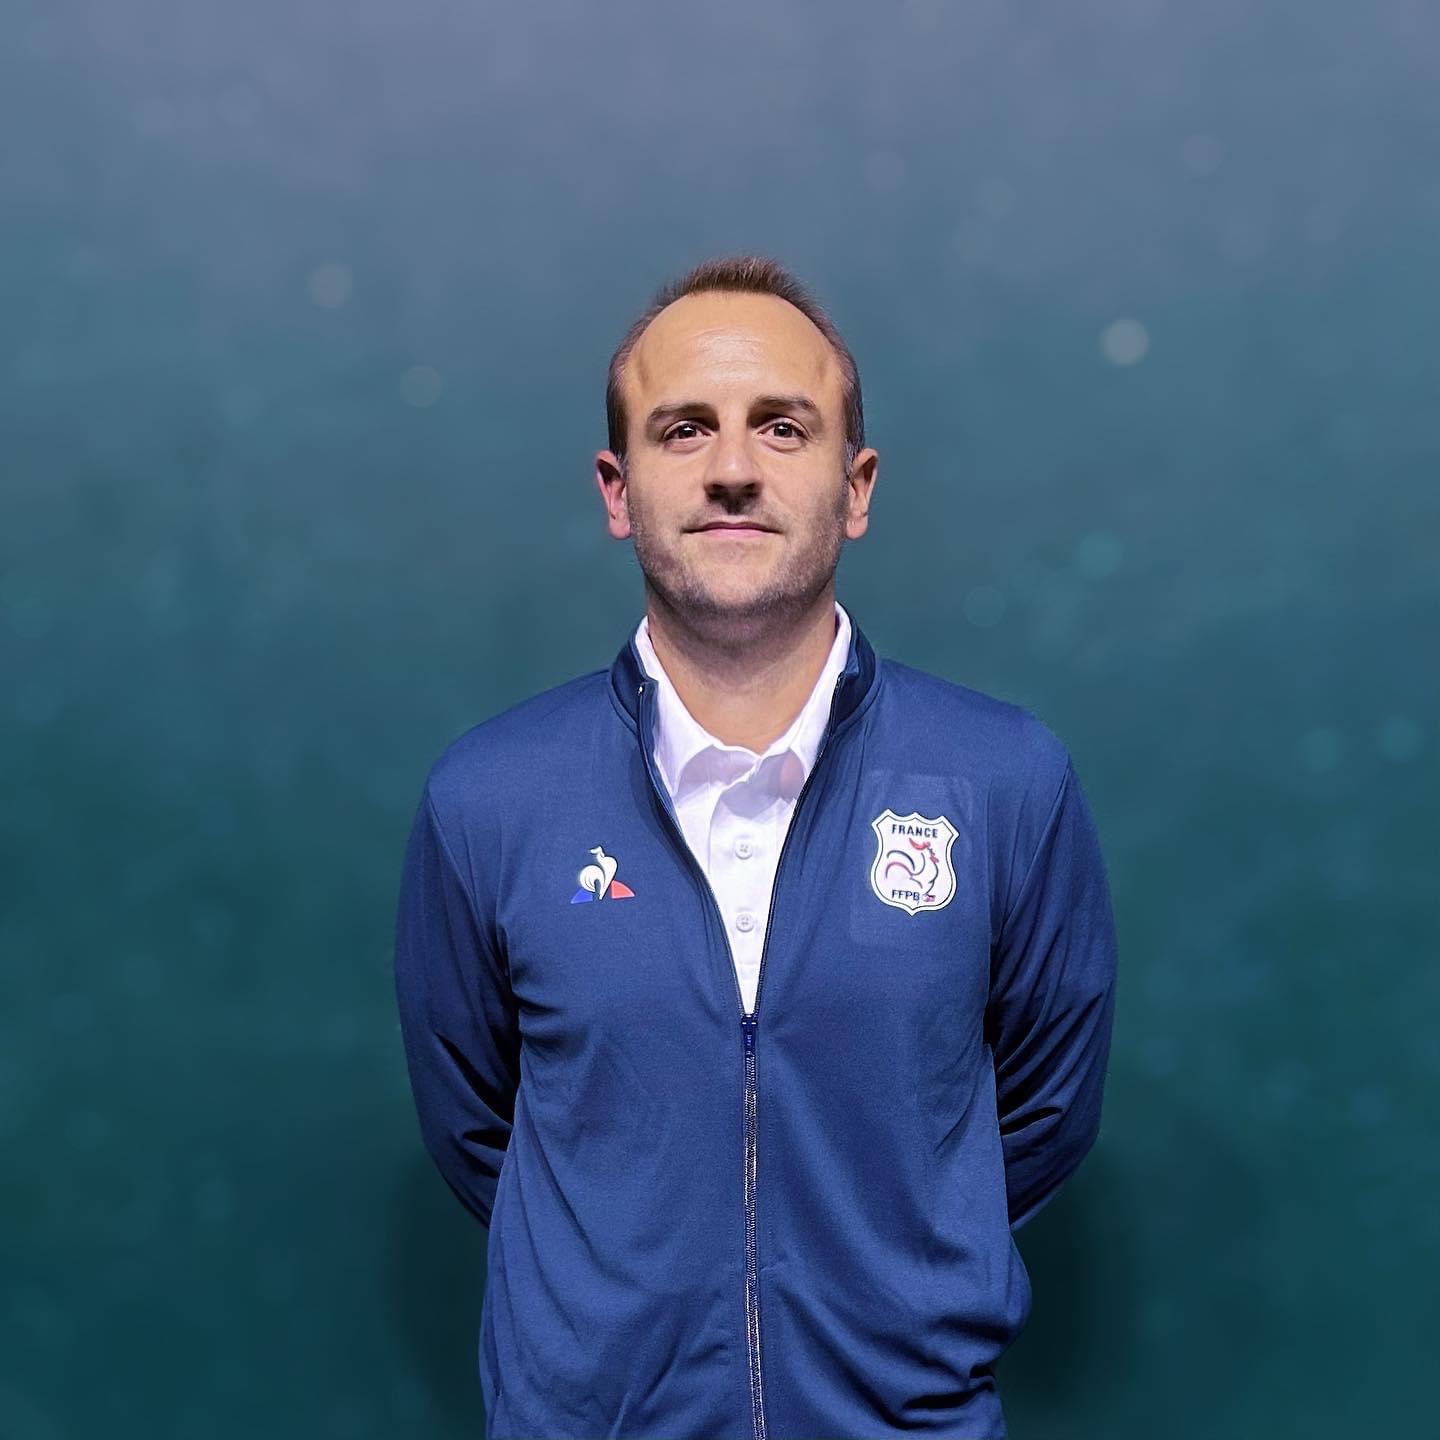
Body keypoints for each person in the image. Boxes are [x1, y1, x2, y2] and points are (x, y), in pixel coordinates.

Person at [393, 254, 1119, 1439]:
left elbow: (1040, 1119)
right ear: (618, 490)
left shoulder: (1003, 782)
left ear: (857, 485)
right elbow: (483, 1133)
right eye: (685, 430)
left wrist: (888, 1287)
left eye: (783, 427)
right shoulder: (489, 798)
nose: (733, 468)